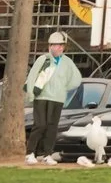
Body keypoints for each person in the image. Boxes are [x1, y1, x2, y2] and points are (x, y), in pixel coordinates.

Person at [23, 31, 81, 164]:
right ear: (50, 46)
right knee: (40, 125)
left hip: (58, 99)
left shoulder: (67, 62)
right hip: (42, 97)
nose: (58, 48)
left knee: (52, 126)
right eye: (55, 45)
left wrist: (63, 87)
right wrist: (31, 93)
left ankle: (47, 154)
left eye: (61, 45)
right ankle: (30, 153)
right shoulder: (43, 59)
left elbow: (76, 79)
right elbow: (32, 76)